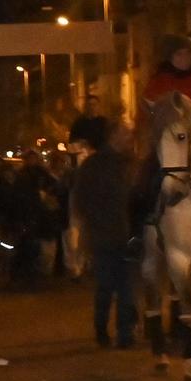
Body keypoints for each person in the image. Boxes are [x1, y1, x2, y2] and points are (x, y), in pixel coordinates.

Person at [72, 122, 139, 348]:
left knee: (125, 287)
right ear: (114, 137)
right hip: (106, 235)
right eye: (125, 134)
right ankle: (102, 327)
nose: (129, 139)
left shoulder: (129, 165)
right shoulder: (96, 165)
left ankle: (124, 333)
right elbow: (82, 200)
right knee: (107, 286)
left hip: (124, 235)